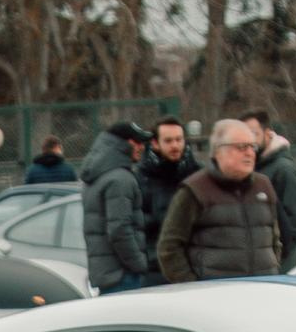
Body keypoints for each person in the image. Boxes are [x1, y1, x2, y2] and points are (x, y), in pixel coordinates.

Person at [157, 117, 284, 280]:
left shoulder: (264, 185)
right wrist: (193, 288)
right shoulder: (195, 189)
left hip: (262, 289)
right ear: (218, 151)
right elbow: (169, 247)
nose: (249, 153)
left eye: (252, 146)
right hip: (214, 295)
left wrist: (272, 268)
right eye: (241, 147)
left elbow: (275, 240)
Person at [79, 120, 149, 290]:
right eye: (137, 142)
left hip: (108, 274)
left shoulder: (98, 174)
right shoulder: (120, 179)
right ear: (122, 144)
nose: (142, 147)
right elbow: (119, 229)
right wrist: (139, 264)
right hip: (123, 276)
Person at [245, 102, 296, 257]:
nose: (249, 141)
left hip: (277, 264)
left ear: (268, 134)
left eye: (253, 134)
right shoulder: (252, 167)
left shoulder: (283, 170)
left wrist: (277, 254)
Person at [136, 115, 191, 263]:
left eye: (179, 139)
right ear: (155, 143)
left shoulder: (196, 174)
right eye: (168, 141)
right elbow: (134, 220)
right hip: (155, 262)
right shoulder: (141, 177)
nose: (175, 145)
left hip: (192, 261)